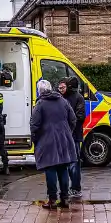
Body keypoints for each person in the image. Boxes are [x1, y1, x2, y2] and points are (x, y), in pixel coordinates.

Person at [31, 79, 77, 210]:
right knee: (63, 169)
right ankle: (65, 198)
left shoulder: (40, 104)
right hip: (64, 139)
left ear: (39, 91)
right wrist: (67, 132)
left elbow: (34, 125)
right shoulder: (62, 101)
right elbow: (73, 119)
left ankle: (52, 199)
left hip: (47, 140)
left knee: (50, 168)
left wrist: (36, 139)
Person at [60, 77, 86, 198]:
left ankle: (75, 188)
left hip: (74, 136)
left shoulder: (77, 97)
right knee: (67, 163)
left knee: (74, 163)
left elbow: (80, 117)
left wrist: (66, 122)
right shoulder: (63, 97)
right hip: (67, 135)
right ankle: (69, 188)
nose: (61, 89)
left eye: (63, 86)